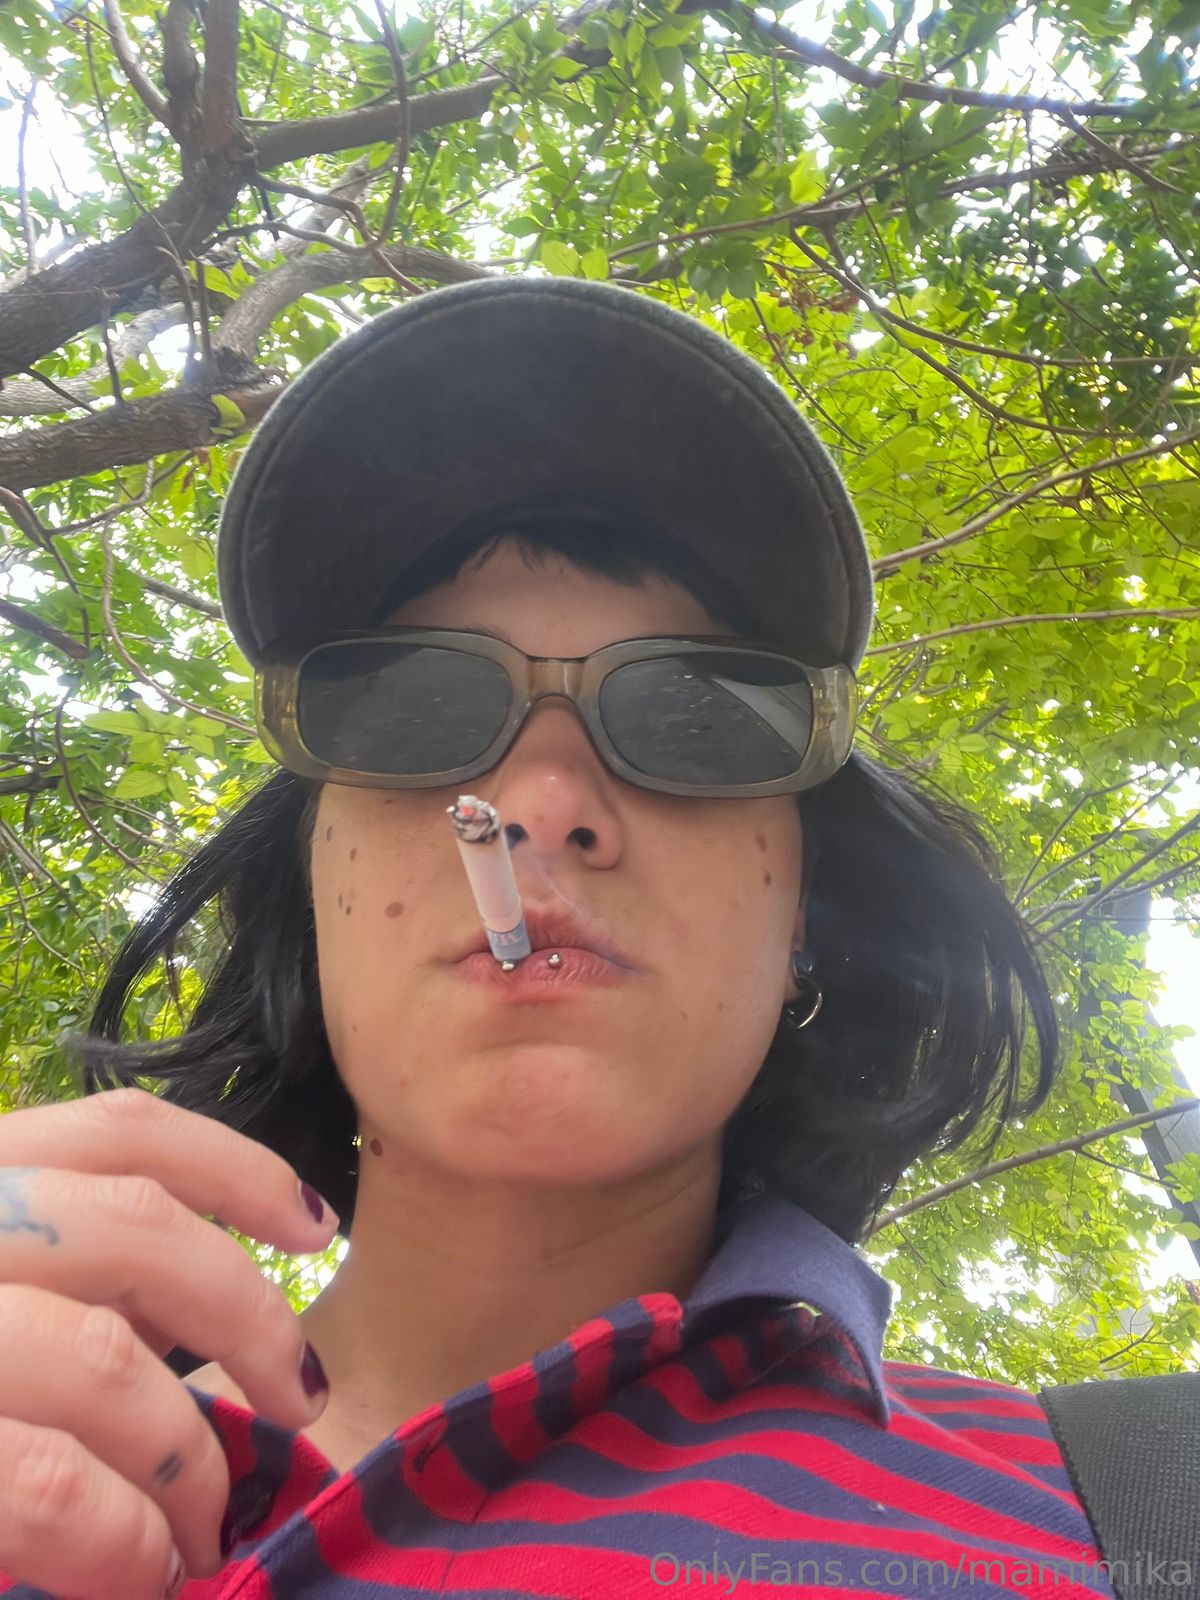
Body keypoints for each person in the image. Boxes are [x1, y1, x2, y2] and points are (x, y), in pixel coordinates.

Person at [0, 279, 1121, 1600]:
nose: (539, 804)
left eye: (695, 719)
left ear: (799, 927)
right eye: (417, 711)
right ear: (311, 901)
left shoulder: (1135, 1506)